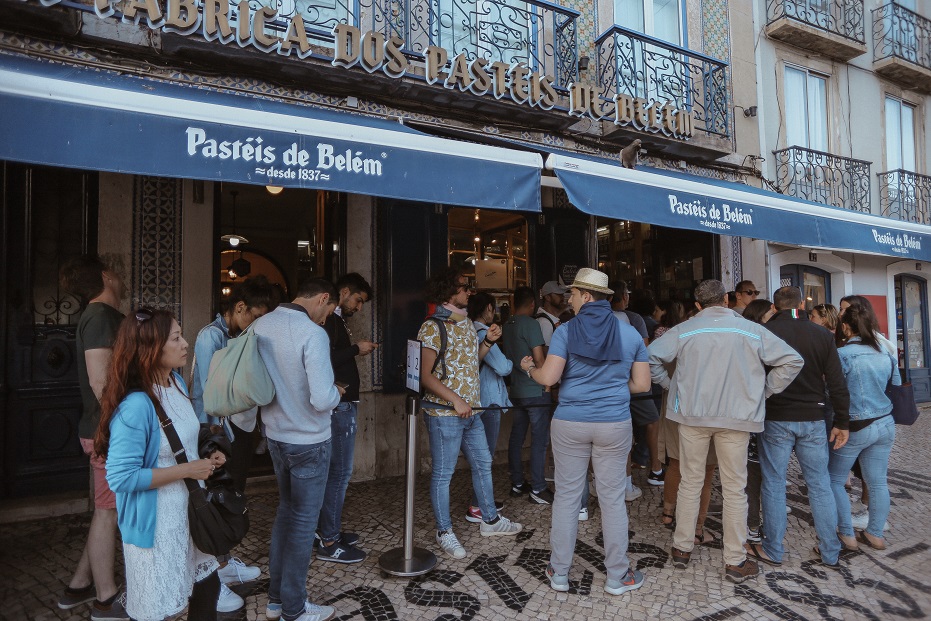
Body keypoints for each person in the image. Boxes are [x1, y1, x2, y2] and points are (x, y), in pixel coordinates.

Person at [648, 279, 803, 584]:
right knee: (734, 488)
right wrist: (765, 391)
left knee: (691, 481)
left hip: (693, 417)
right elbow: (792, 360)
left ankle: (681, 548)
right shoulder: (752, 330)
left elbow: (650, 357)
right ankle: (734, 560)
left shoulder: (685, 330)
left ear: (697, 304)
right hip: (737, 418)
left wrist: (671, 387)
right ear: (727, 299)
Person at [520, 268, 651, 596]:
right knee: (612, 499)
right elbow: (642, 384)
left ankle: (560, 573)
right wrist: (611, 387)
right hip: (614, 425)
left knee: (566, 497)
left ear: (587, 296)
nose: (570, 299)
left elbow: (549, 378)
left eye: (574, 294)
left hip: (570, 423)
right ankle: (617, 577)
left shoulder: (565, 331)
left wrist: (529, 369)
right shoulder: (631, 334)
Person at [98, 309, 223, 621]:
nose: (185, 343)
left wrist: (209, 454)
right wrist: (187, 470)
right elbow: (121, 478)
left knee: (207, 591)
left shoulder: (177, 384)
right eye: (176, 338)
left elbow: (186, 438)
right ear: (150, 349)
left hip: (190, 518)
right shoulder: (136, 405)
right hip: (157, 531)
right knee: (167, 610)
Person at [254, 278, 343, 621]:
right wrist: (337, 392)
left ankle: (276, 601)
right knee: (304, 525)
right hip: (308, 441)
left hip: (275, 436)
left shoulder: (262, 324)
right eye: (329, 311)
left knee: (286, 514)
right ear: (323, 298)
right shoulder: (312, 333)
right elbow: (322, 398)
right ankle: (293, 607)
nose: (325, 320)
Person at [418, 268, 522, 560]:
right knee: (443, 474)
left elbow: (469, 365)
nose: (469, 292)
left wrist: (487, 342)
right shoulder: (431, 327)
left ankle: (489, 520)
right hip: (444, 415)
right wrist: (455, 400)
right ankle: (444, 531)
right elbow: (425, 376)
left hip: (471, 411)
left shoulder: (464, 325)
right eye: (464, 287)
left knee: (483, 463)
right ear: (447, 292)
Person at [747, 287, 851, 569]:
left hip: (775, 417)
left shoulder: (765, 333)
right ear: (802, 303)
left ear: (774, 306)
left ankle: (773, 549)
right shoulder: (821, 335)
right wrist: (842, 422)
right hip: (814, 418)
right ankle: (830, 552)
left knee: (774, 483)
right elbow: (837, 382)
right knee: (819, 486)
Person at [190, 276, 276, 611]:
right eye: (254, 316)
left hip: (234, 428)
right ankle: (214, 572)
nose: (257, 324)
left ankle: (223, 565)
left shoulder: (237, 334)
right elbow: (205, 390)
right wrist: (211, 439)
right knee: (213, 502)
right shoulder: (211, 336)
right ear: (239, 308)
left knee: (228, 497)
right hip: (214, 430)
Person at [57, 255, 129, 620]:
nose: (120, 276)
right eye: (115, 270)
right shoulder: (100, 317)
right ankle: (105, 599)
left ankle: (79, 585)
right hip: (110, 432)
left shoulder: (104, 317)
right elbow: (101, 382)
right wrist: (126, 428)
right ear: (106, 276)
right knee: (106, 512)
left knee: (108, 508)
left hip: (107, 430)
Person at [829, 303, 900, 551]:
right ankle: (875, 533)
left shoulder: (843, 355)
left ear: (846, 327)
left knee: (835, 480)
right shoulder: (886, 353)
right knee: (878, 481)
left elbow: (832, 391)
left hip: (855, 425)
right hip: (885, 422)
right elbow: (896, 383)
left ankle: (846, 534)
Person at [317, 273, 377, 563]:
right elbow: (324, 358)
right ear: (343, 292)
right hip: (338, 406)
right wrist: (356, 349)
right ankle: (328, 540)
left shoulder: (335, 321)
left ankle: (329, 530)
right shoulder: (327, 320)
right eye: (358, 300)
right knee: (339, 474)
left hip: (342, 403)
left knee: (337, 474)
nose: (359, 307)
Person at [464, 292, 512, 522]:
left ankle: (483, 501)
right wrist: (513, 362)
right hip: (488, 402)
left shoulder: (467, 332)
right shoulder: (484, 334)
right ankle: (477, 506)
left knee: (481, 455)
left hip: (475, 400)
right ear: (489, 309)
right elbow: (503, 367)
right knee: (485, 456)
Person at [501, 286, 552, 504]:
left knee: (517, 436)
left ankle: (518, 483)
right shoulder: (531, 324)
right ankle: (539, 489)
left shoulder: (507, 325)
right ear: (532, 303)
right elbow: (539, 359)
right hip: (534, 389)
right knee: (539, 440)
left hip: (516, 389)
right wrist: (548, 384)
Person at [610, 281, 659, 495]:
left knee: (624, 428)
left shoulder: (592, 321)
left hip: (610, 383)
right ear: (624, 297)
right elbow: (644, 351)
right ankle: (655, 468)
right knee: (651, 421)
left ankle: (626, 481)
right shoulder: (634, 319)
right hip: (634, 380)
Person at [535, 281, 568, 349]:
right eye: (559, 294)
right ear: (547, 297)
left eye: (562, 294)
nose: (563, 297)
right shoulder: (545, 322)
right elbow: (547, 352)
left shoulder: (549, 317)